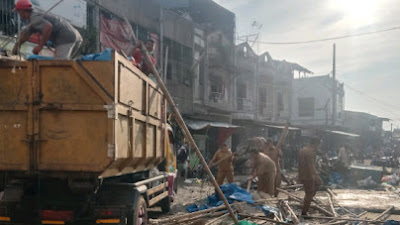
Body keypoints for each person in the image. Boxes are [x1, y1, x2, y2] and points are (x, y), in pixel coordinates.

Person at [11, 0, 83, 59]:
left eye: (18, 11)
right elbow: (26, 33)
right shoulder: (34, 18)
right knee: (68, 65)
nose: (19, 14)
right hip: (75, 36)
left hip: (66, 38)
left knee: (59, 66)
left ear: (22, 11)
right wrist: (18, 45)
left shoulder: (35, 18)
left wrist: (40, 46)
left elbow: (48, 27)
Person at [298, 137, 322, 216]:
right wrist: (316, 176)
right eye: (318, 145)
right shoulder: (310, 152)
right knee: (310, 193)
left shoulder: (302, 150)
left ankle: (305, 207)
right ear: (315, 144)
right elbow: (311, 166)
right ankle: (304, 213)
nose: (318, 148)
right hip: (308, 176)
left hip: (303, 175)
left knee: (309, 193)